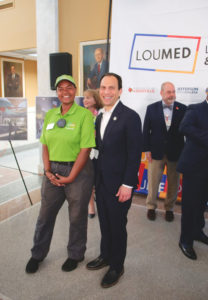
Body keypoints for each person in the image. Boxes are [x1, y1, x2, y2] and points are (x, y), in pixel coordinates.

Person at [25, 74, 95, 273]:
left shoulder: (84, 115)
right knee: (45, 216)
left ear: (75, 90)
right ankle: (37, 254)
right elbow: (45, 144)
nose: (65, 92)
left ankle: (75, 254)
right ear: (57, 92)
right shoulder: (50, 115)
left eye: (69, 87)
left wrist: (72, 176)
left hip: (78, 172)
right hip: (53, 171)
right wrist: (47, 170)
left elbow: (86, 149)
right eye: (61, 88)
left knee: (76, 217)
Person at [86, 73, 142, 288]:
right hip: (101, 182)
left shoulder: (130, 116)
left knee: (118, 225)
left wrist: (128, 184)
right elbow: (99, 150)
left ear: (120, 91)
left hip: (120, 185)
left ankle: (117, 266)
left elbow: (134, 154)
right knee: (105, 222)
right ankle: (106, 255)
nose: (106, 92)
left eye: (111, 88)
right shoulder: (100, 116)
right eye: (103, 87)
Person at [143, 82, 186, 222]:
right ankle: (151, 207)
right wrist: (146, 149)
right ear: (161, 93)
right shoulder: (151, 108)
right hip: (155, 152)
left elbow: (186, 132)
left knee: (173, 183)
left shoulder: (183, 109)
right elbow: (146, 131)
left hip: (176, 152)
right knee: (153, 182)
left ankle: (169, 208)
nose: (172, 94)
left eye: (173, 91)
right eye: (168, 92)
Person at [177, 95, 208, 260]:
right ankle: (185, 240)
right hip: (194, 167)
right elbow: (184, 127)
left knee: (202, 203)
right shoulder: (195, 109)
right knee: (190, 205)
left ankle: (197, 231)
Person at [83, 89, 103, 218]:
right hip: (85, 152)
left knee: (98, 180)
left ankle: (100, 202)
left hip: (99, 152)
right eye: (84, 98)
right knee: (88, 181)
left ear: (95, 100)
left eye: (88, 98)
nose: (85, 100)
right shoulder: (81, 115)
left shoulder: (101, 115)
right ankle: (91, 206)